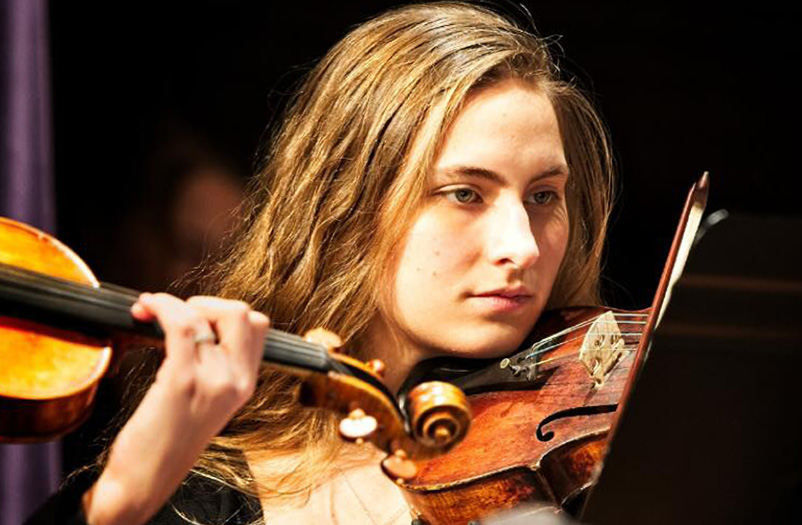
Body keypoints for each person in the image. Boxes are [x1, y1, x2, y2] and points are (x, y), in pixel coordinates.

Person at [30, 2, 613, 524]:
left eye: (543, 196)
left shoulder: (590, 465)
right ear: (346, 206)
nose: (525, 246)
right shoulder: (198, 501)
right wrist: (121, 502)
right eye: (464, 193)